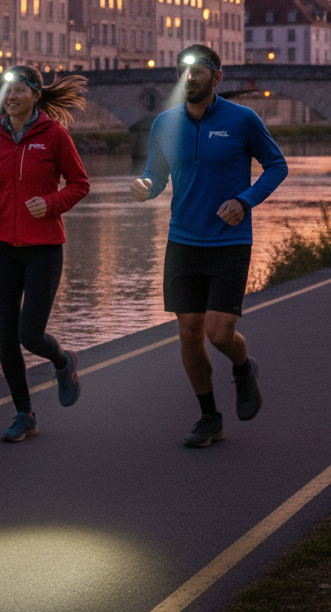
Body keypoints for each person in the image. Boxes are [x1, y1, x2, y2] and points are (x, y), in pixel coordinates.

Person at [130, 44, 288, 448]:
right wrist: (146, 188)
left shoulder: (243, 120)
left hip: (230, 242)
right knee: (188, 333)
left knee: (219, 333)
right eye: (184, 70)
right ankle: (209, 417)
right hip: (182, 241)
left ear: (217, 77)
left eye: (199, 70)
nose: (191, 77)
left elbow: (277, 165)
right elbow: (156, 175)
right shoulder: (164, 123)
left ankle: (242, 365)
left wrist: (244, 201)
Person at [0, 66, 90, 442]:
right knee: (6, 337)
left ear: (36, 95)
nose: (11, 97)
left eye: (19, 90)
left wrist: (51, 204)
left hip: (44, 249)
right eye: (7, 91)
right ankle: (24, 414)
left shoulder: (54, 136)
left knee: (29, 334)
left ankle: (62, 360)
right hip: (4, 247)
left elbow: (80, 184)